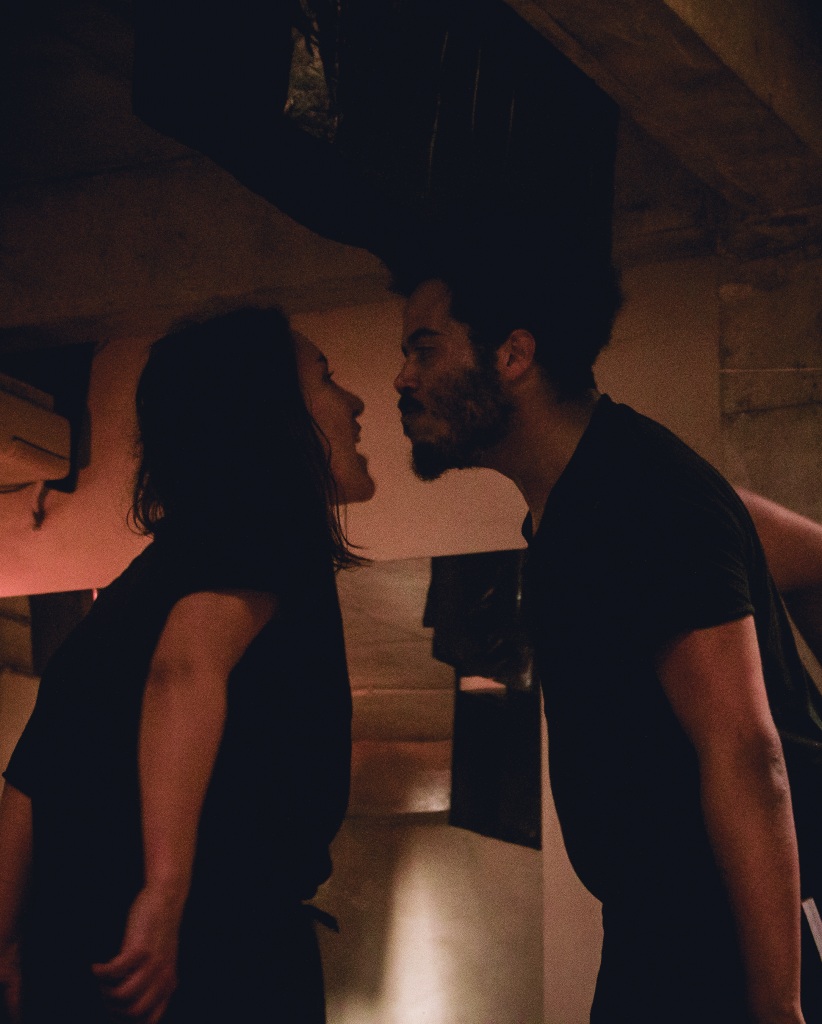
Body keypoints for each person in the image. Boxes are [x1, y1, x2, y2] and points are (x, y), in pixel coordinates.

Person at [393, 236, 822, 1023]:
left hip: (709, 952)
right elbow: (802, 552)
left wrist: (779, 1005)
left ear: (513, 355)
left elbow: (745, 751)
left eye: (425, 349)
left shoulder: (639, 496)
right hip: (656, 939)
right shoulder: (599, 492)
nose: (403, 378)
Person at [0, 307, 374, 1024]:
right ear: (271, 415)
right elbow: (185, 672)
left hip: (79, 952)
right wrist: (165, 895)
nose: (354, 403)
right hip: (207, 954)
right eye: (326, 380)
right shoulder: (267, 526)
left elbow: (30, 777)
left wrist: (7, 941)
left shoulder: (134, 589)